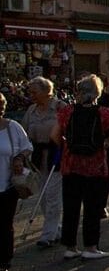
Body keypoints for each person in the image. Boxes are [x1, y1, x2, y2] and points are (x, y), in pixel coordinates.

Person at [50, 75, 109, 260]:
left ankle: (70, 247)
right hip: (96, 166)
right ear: (97, 93)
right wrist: (108, 141)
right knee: (92, 208)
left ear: (79, 92)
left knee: (71, 207)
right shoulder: (103, 112)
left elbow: (54, 135)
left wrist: (66, 145)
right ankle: (91, 247)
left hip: (70, 166)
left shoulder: (67, 112)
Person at [22, 77, 66, 247]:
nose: (31, 95)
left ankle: (47, 235)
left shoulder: (60, 107)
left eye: (35, 92)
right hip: (38, 158)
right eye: (30, 92)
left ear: (46, 91)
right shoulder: (31, 110)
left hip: (57, 155)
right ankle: (56, 228)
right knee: (43, 197)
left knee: (53, 196)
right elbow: (24, 133)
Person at [0, 93, 32, 271]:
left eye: (2, 105)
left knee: (4, 224)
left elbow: (27, 146)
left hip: (7, 185)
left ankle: (3, 261)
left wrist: (20, 158)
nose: (1, 108)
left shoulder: (13, 127)